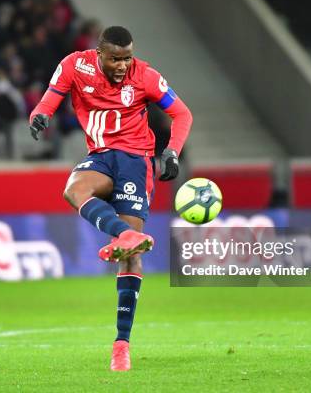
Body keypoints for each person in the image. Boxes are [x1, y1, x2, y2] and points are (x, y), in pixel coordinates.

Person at [28, 26, 193, 371]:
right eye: (116, 59)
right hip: (102, 156)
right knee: (73, 189)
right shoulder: (76, 65)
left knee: (130, 258)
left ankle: (121, 344)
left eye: (127, 58)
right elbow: (51, 96)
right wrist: (40, 114)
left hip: (135, 162)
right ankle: (126, 234)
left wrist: (173, 153)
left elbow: (182, 113)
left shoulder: (145, 76)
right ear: (100, 54)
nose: (122, 65)